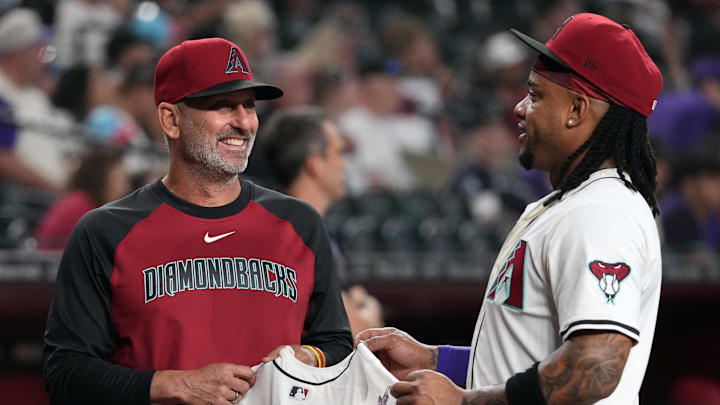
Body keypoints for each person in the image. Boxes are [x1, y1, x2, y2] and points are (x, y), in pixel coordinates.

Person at [357, 13, 663, 405]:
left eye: (535, 95)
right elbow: (522, 359)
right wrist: (436, 359)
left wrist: (465, 402)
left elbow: (595, 365)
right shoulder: (572, 203)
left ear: (577, 110)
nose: (520, 108)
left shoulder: (600, 211)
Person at [43, 38, 352, 405]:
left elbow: (335, 344)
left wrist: (306, 358)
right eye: (223, 106)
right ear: (171, 120)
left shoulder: (300, 223)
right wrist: (175, 385)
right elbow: (65, 373)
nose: (243, 122)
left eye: (249, 106)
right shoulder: (105, 232)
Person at [261, 106, 384, 337]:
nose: (343, 164)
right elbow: (359, 333)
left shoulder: (313, 229)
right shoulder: (295, 236)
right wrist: (371, 311)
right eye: (338, 153)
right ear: (315, 164)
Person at [35, 147, 130, 250]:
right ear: (102, 178)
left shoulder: (85, 203)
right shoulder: (80, 205)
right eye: (120, 178)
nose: (126, 187)